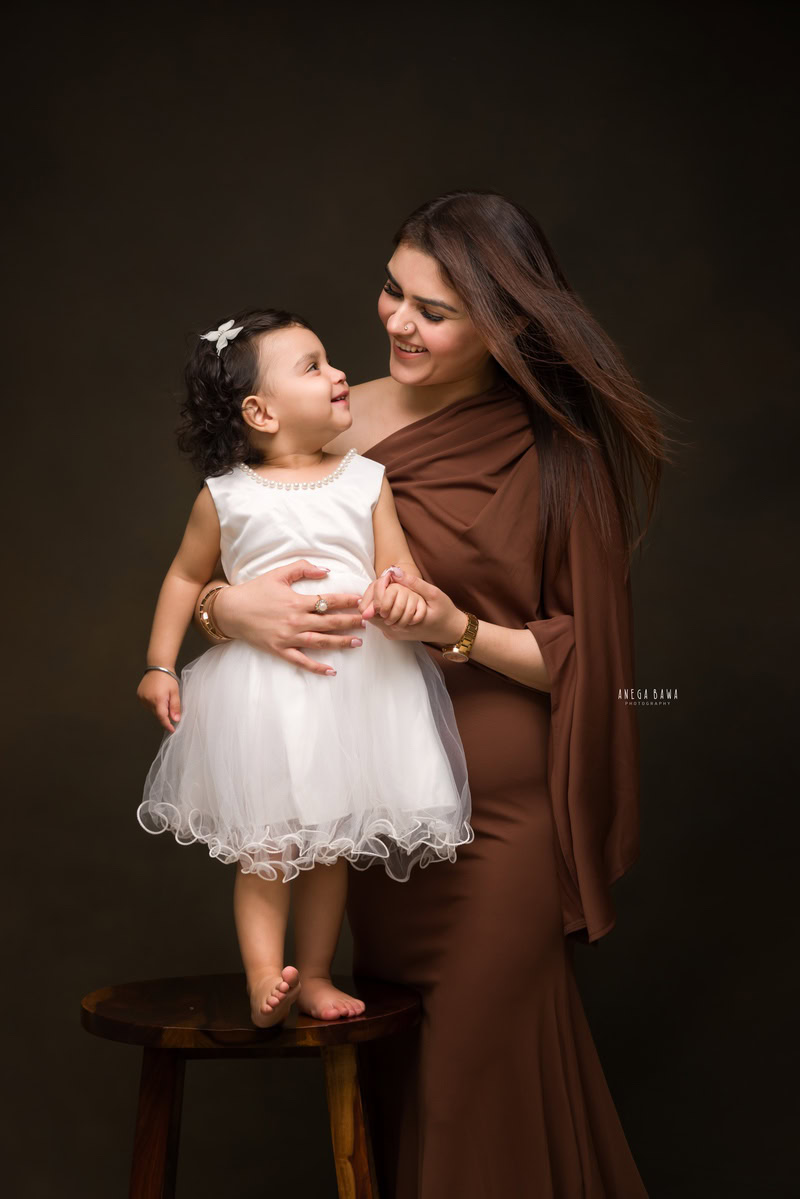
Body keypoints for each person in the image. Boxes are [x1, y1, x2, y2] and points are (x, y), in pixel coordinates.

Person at [195, 192, 672, 1197]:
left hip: (499, 824)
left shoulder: (555, 457)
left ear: (503, 326)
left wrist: (453, 628)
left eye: (434, 309)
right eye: (389, 291)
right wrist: (225, 613)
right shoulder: (321, 411)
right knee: (409, 1078)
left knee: (466, 1084)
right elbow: (210, 555)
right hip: (372, 800)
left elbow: (589, 658)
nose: (396, 322)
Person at [135, 309, 472, 1030]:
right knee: (266, 845)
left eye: (330, 360)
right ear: (260, 410)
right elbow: (183, 580)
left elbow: (399, 565)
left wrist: (401, 594)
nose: (339, 372)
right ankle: (265, 973)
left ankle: (315, 972)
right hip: (264, 700)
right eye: (313, 366)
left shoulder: (366, 478)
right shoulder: (225, 495)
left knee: (329, 848)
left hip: (354, 690)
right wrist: (160, 663)